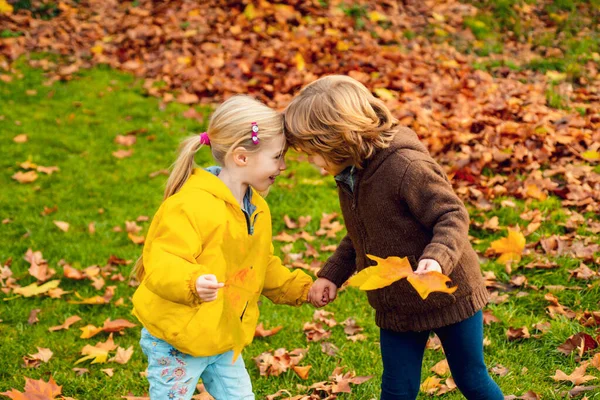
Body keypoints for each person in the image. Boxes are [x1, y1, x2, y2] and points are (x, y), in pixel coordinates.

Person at [283, 75, 504, 399]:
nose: (313, 163)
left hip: (450, 293)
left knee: (471, 378)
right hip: (398, 303)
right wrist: (332, 275)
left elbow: (452, 215)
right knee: (397, 389)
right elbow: (362, 233)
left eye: (313, 153)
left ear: (339, 139)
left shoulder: (405, 166)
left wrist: (436, 257)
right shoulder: (352, 172)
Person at [132, 95, 313, 400]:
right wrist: (191, 281)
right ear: (241, 157)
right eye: (277, 157)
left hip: (223, 334)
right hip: (179, 339)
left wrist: (302, 289)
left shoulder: (256, 207)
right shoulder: (189, 205)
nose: (283, 166)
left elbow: (260, 264)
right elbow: (163, 262)